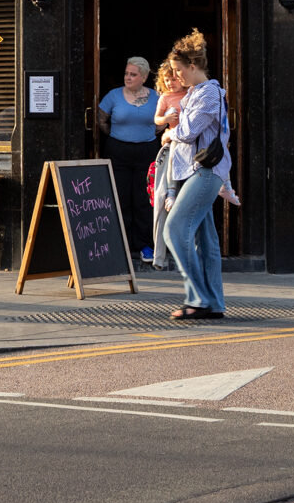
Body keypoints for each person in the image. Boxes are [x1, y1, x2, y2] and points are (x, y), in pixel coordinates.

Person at [159, 29, 229, 320]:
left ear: (193, 66)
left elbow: (186, 134)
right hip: (196, 173)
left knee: (173, 231)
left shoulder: (209, 93)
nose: (176, 77)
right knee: (205, 240)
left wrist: (168, 134)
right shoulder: (194, 94)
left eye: (179, 71)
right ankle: (213, 303)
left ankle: (198, 299)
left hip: (205, 172)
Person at [97, 56, 159, 263]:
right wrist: (118, 135)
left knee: (144, 199)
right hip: (118, 150)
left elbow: (160, 124)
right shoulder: (113, 95)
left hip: (147, 151)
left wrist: (145, 133)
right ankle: (120, 245)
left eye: (133, 74)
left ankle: (145, 245)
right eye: (126, 73)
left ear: (143, 77)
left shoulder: (155, 97)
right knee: (119, 197)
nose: (128, 77)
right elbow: (101, 120)